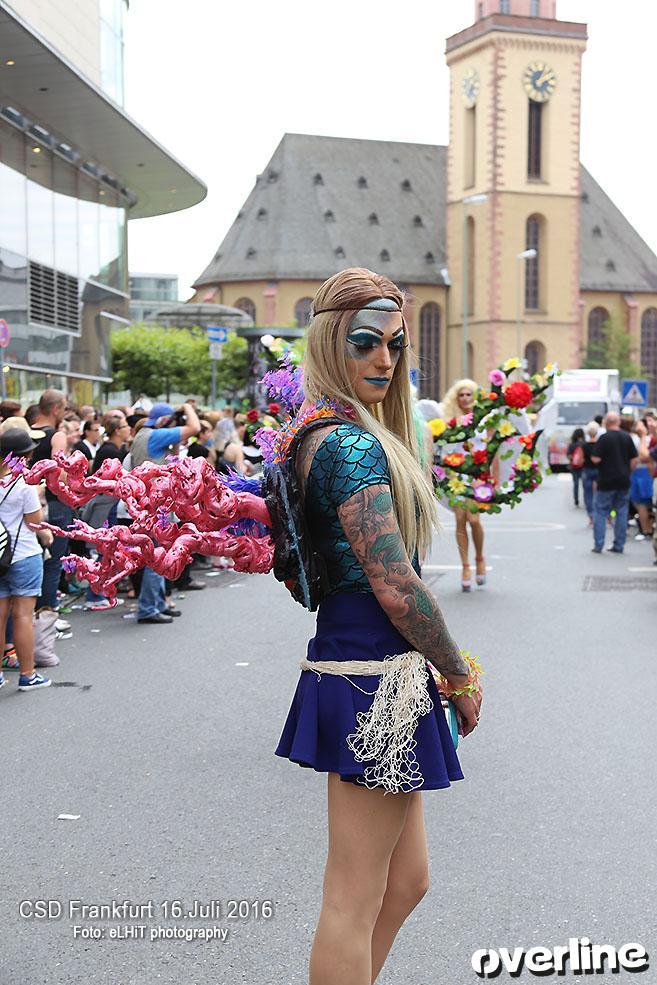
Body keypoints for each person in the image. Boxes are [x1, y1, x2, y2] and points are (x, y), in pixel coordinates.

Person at [273, 268, 482, 984]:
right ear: (332, 342)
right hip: (374, 682)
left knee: (405, 881)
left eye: (394, 345)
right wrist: (459, 673)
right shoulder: (349, 445)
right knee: (353, 895)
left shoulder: (321, 434)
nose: (383, 361)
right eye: (365, 343)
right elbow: (396, 586)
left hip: (378, 672)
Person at [129, 402, 201, 623]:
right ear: (163, 421)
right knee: (157, 557)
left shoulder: (144, 434)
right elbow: (195, 428)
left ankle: (158, 603)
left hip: (150, 502)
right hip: (156, 504)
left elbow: (174, 460)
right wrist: (187, 408)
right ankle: (148, 608)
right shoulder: (156, 435)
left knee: (160, 553)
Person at [0, 428, 54, 692]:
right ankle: (27, 674)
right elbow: (34, 524)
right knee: (22, 615)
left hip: (0, 556)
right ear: (25, 455)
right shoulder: (23, 486)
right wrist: (47, 535)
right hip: (23, 555)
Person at [439, 378, 487, 590]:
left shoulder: (483, 420)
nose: (466, 398)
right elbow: (445, 450)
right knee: (460, 518)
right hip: (456, 474)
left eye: (469, 394)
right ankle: (465, 566)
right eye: (461, 395)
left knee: (474, 520)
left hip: (477, 474)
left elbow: (490, 449)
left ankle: (479, 558)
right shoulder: (450, 422)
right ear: (456, 399)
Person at [82, 416, 131, 610]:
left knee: (107, 550)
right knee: (102, 550)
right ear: (117, 430)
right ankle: (94, 596)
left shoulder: (113, 449)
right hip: (104, 506)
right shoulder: (110, 451)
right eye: (125, 426)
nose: (129, 429)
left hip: (108, 504)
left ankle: (100, 592)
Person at [30, 389, 71, 611]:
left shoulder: (23, 433)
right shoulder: (56, 436)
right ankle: (46, 615)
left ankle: (29, 614)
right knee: (53, 561)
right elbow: (60, 472)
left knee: (32, 560)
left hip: (23, 503)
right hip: (53, 503)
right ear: (55, 409)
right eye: (64, 408)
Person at [591, 411, 638, 553]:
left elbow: (595, 459)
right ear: (618, 422)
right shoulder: (626, 437)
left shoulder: (604, 438)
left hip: (606, 480)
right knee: (622, 512)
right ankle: (619, 544)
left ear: (606, 422)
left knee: (600, 512)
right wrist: (627, 472)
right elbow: (634, 460)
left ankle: (599, 544)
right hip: (623, 480)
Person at [630, 420, 654, 541]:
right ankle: (646, 529)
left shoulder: (648, 439)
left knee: (644, 503)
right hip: (638, 473)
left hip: (645, 473)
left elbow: (644, 456)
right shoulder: (634, 438)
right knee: (640, 503)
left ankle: (647, 530)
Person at [581, 421, 600, 524]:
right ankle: (600, 513)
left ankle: (591, 516)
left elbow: (580, 459)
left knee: (588, 494)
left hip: (587, 470)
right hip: (598, 470)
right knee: (599, 493)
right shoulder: (600, 444)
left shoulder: (584, 445)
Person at [567, 427, 586, 507]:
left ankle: (576, 500)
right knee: (584, 485)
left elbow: (569, 456)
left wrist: (574, 459)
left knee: (576, 484)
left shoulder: (572, 444)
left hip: (574, 467)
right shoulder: (584, 444)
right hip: (583, 467)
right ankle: (586, 500)